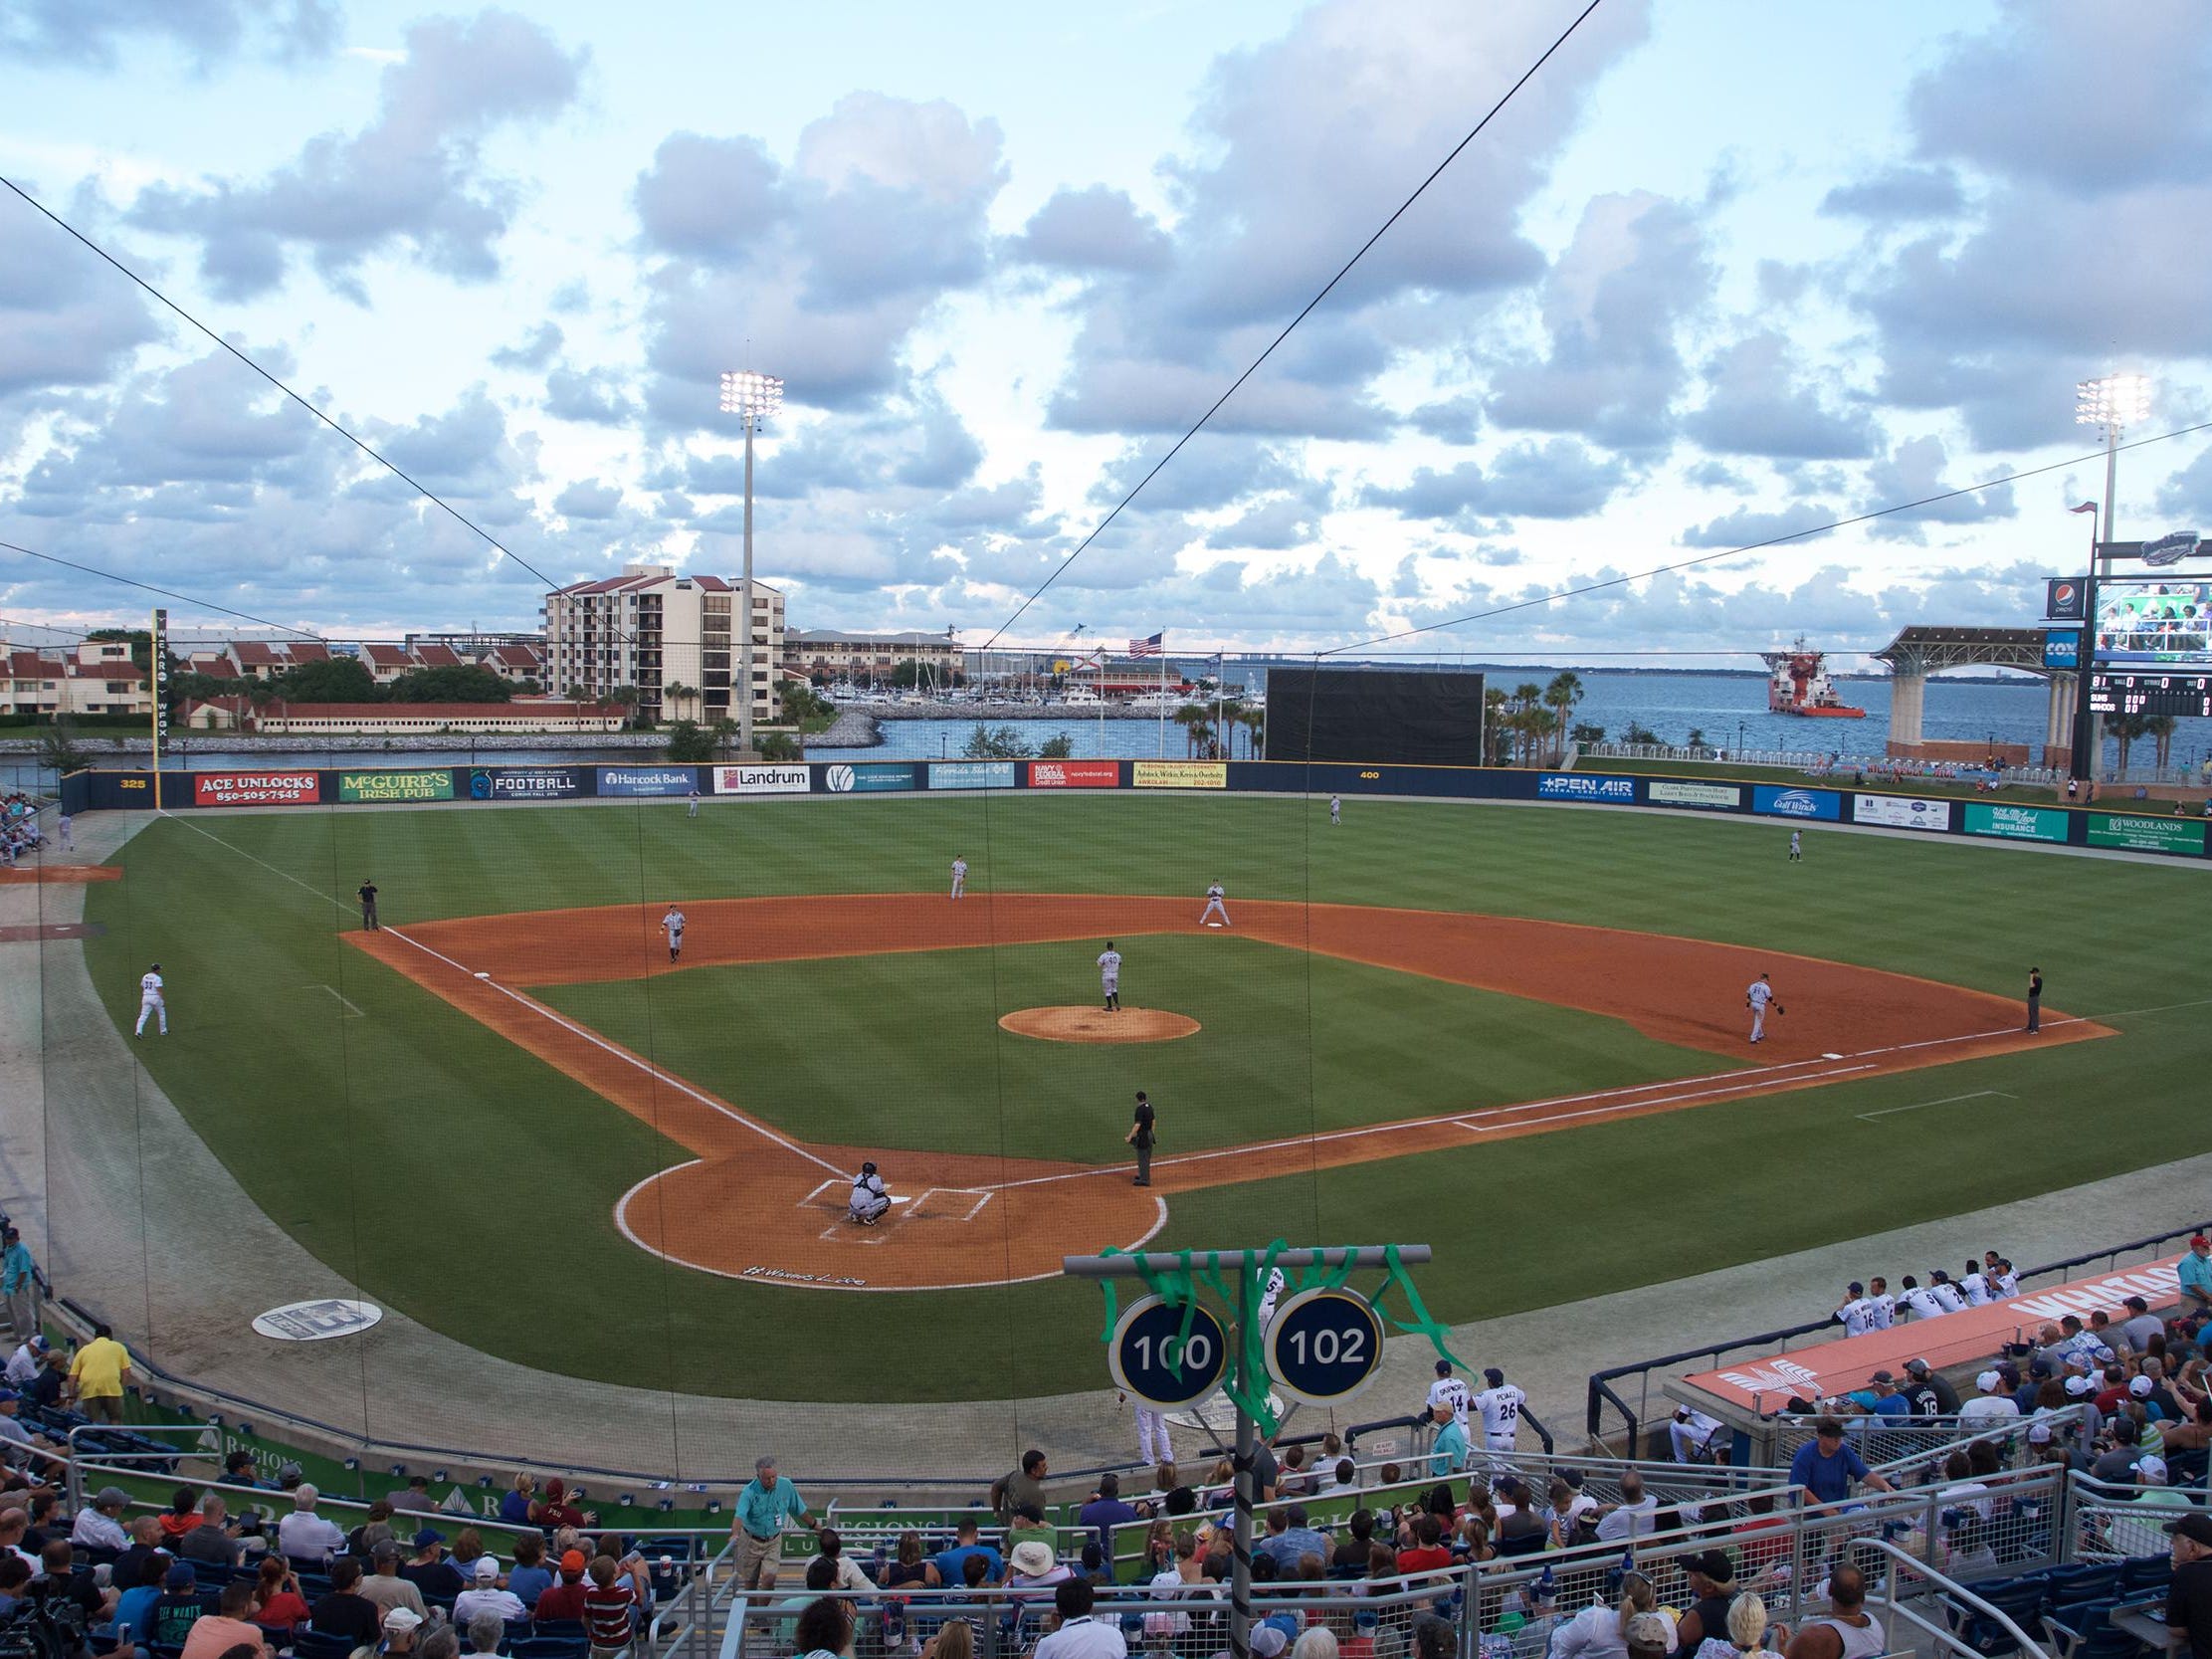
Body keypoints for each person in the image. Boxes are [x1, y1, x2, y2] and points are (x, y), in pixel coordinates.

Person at [732, 1456, 815, 1592]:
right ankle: (754, 1613)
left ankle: (762, 1612)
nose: (771, 1481)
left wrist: (815, 1525)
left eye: (774, 1477)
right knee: (750, 1582)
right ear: (758, 1476)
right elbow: (739, 1515)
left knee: (769, 1579)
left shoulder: (786, 1485)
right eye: (767, 1479)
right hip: (750, 1541)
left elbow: (799, 1509)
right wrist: (734, 1534)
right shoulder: (749, 1492)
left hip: (773, 1541)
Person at [1788, 1418, 1894, 1514]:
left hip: (1835, 1508)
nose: (1837, 1440)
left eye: (1839, 1437)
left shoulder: (1844, 1451)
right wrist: (1825, 1509)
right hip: (1805, 1512)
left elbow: (1864, 1473)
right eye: (1833, 1437)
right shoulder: (1805, 1455)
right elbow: (1800, 1489)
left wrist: (1884, 1486)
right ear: (1821, 1436)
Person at [1783, 1564, 1885, 1659]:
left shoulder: (1816, 1635)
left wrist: (1782, 1646)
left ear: (1830, 1590)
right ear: (1863, 1593)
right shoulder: (1875, 1625)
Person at [1035, 1576, 1124, 1659]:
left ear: (1058, 1609)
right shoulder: (1115, 1635)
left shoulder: (1048, 1644)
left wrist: (1055, 1633)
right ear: (1091, 1607)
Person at [307, 1558, 384, 1650]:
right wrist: (379, 1622)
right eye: (361, 1573)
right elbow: (377, 1640)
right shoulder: (367, 1608)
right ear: (356, 1580)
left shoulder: (320, 1602)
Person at [2166, 1512, 2212, 1659]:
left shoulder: (2187, 1575)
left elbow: (2176, 1629)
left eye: (2175, 1538)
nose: (2171, 1543)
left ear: (2192, 1547)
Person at [69, 1324, 132, 1424]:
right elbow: (126, 1372)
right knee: (115, 1419)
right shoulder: (119, 1347)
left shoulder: (83, 1350)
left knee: (94, 1422)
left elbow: (72, 1376)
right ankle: (113, 1438)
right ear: (110, 1335)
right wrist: (121, 1388)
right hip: (112, 1388)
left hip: (89, 1389)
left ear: (95, 1337)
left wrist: (71, 1396)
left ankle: (96, 1438)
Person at [453, 1558, 525, 1626]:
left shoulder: (463, 1598)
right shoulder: (511, 1599)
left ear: (475, 1577)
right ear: (497, 1578)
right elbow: (522, 1617)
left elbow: (455, 1622)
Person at [1474, 1367, 1524, 1459]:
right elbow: (1523, 1398)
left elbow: (1470, 1404)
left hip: (1494, 1440)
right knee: (1510, 1468)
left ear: (1490, 1382)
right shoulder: (1512, 1389)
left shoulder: (1488, 1395)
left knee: (1497, 1473)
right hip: (1510, 1440)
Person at [0, 1230, 40, 1344]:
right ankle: (17, 1335)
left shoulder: (22, 1250)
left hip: (19, 1286)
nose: (8, 1240)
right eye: (7, 1238)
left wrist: (18, 1285)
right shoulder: (9, 1248)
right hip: (8, 1285)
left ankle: (27, 1338)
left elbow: (23, 1270)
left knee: (22, 1313)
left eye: (11, 1238)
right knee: (11, 1311)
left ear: (17, 1238)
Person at [1427, 1402, 1469, 1475]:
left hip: (1443, 1477)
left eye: (1437, 1412)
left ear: (1445, 1414)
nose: (1434, 1414)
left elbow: (1453, 1463)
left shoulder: (1448, 1436)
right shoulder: (1451, 1426)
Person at [1127, 1092, 1155, 1187]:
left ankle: (1145, 1180)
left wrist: (1130, 1136)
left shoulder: (1140, 1109)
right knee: (1145, 1157)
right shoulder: (1149, 1107)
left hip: (1143, 1136)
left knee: (1143, 1158)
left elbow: (1137, 1124)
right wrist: (1151, 1133)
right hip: (1149, 1134)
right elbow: (1153, 1121)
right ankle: (1142, 1176)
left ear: (1137, 1099)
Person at [2180, 1236, 2212, 1316]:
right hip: (2192, 1300)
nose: (2208, 1248)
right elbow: (2193, 1285)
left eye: (2207, 1246)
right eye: (2204, 1247)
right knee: (2191, 1325)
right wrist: (2209, 1297)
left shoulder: (2206, 1260)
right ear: (2195, 1248)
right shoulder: (2187, 1262)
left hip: (2206, 1299)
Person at [1745, 974, 1781, 1043]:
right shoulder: (1766, 987)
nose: (1767, 981)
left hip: (1753, 1004)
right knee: (1758, 1022)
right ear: (1765, 979)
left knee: (1758, 1019)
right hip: (1760, 1006)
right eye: (1767, 980)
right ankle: (1753, 1039)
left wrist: (1747, 1006)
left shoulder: (1753, 985)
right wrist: (1777, 1006)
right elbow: (1770, 998)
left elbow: (1748, 995)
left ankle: (1760, 1034)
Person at [134, 963, 167, 1038]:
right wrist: (162, 1000)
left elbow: (142, 986)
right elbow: (159, 990)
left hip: (146, 997)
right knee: (161, 1013)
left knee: (143, 1015)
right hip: (155, 997)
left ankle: (138, 1031)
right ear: (157, 970)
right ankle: (163, 1031)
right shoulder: (157, 978)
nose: (160, 970)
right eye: (159, 969)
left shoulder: (145, 976)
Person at [1098, 941, 1122, 1013]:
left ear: (1107, 947)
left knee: (1107, 991)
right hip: (1115, 974)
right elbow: (1120, 963)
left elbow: (1099, 964)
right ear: (1113, 946)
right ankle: (1117, 1003)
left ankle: (1109, 1007)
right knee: (1114, 989)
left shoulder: (1104, 955)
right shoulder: (1117, 955)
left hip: (1107, 975)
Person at [2024, 966, 2042, 1033]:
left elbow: (2031, 985)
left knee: (2034, 1013)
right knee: (2031, 1013)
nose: (2031, 974)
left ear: (2035, 973)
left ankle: (2035, 1029)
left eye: (2032, 973)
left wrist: (2031, 977)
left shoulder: (2038, 980)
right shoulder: (2036, 979)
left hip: (2034, 998)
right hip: (2031, 997)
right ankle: (2030, 1027)